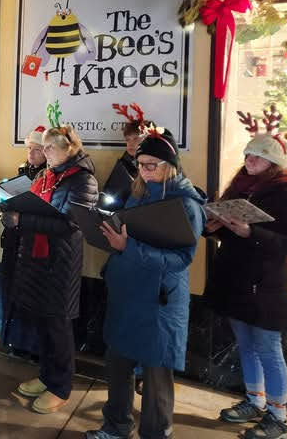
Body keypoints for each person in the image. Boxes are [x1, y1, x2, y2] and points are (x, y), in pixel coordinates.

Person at [86, 126, 206, 439]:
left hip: (159, 301)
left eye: (151, 165)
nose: (144, 171)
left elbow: (182, 258)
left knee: (155, 377)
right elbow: (127, 232)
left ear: (171, 166)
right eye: (140, 164)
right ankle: (116, 426)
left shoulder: (187, 205)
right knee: (118, 364)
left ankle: (156, 433)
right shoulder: (138, 194)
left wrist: (130, 248)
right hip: (126, 294)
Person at [205, 124, 287, 439]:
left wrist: (253, 233)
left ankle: (278, 415)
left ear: (273, 162)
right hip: (235, 280)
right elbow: (228, 228)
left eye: (258, 156)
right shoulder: (240, 186)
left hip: (264, 285)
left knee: (267, 348)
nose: (250, 160)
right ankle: (255, 401)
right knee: (246, 345)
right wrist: (213, 226)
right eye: (248, 153)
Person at [2, 125, 97, 414]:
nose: (45, 153)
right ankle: (47, 376)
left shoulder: (83, 180)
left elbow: (71, 224)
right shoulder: (47, 175)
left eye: (50, 148)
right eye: (43, 148)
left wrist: (22, 220)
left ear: (68, 149)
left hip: (60, 262)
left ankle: (61, 386)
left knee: (58, 325)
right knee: (43, 323)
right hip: (36, 259)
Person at [1, 125, 47, 360]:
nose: (31, 154)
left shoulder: (49, 175)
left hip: (34, 239)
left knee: (31, 293)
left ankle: (31, 345)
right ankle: (14, 340)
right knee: (14, 289)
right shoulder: (23, 170)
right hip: (15, 236)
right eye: (29, 148)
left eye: (37, 149)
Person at [103, 104, 150, 208]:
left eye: (136, 139)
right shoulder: (123, 164)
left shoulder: (155, 168)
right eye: (128, 140)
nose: (130, 144)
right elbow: (107, 194)